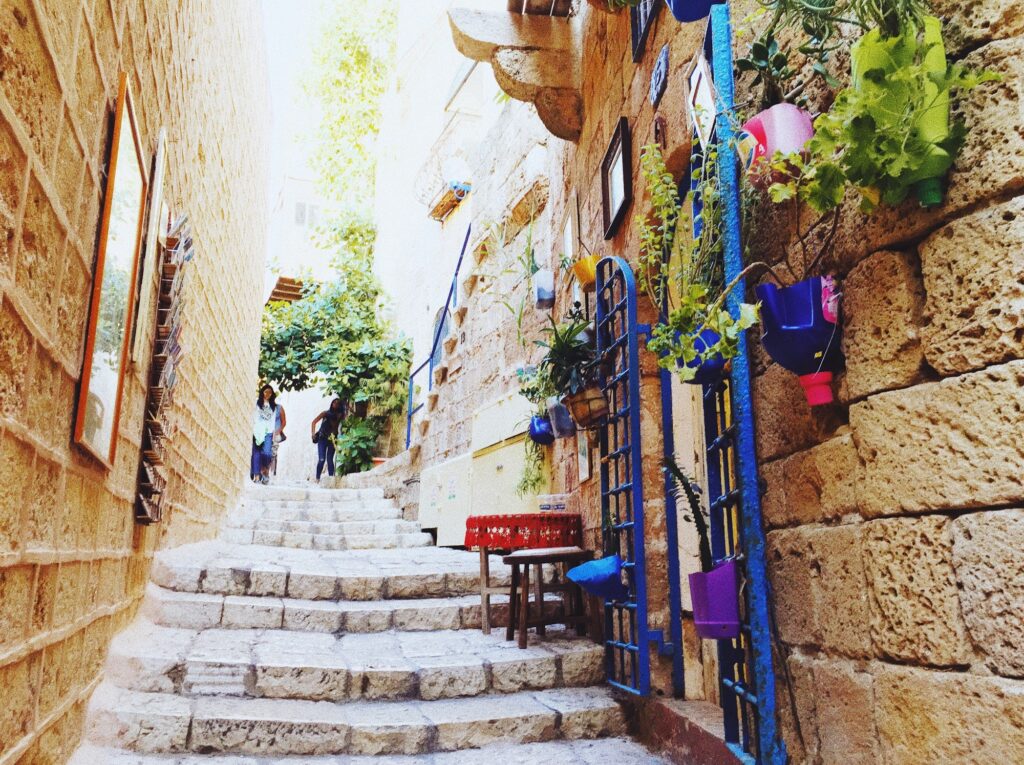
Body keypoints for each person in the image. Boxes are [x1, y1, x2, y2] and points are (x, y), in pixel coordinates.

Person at [251, 384, 286, 484]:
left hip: (269, 432)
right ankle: (257, 477)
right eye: (266, 392)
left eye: (270, 392)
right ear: (262, 392)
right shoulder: (256, 404)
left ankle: (265, 471)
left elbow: (279, 421)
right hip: (257, 431)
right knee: (256, 454)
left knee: (267, 453)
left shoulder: (275, 407)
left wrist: (276, 432)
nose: (267, 394)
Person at [311, 398, 345, 481]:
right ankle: (317, 478)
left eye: (337, 403)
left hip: (333, 439)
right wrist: (313, 433)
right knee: (322, 459)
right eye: (334, 402)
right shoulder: (325, 413)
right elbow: (314, 422)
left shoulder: (340, 415)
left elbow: (345, 420)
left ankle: (331, 480)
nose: (335, 404)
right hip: (322, 438)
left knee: (330, 460)